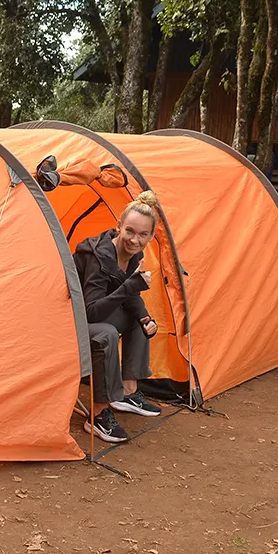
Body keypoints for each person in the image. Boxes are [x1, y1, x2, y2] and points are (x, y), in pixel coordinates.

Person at [73, 190, 163, 443]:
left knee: (138, 321)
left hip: (88, 319)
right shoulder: (98, 256)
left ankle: (127, 392)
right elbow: (90, 313)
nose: (135, 240)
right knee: (106, 334)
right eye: (130, 231)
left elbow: (127, 292)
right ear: (118, 228)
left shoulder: (134, 256)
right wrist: (132, 286)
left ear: (151, 236)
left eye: (143, 234)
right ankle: (99, 415)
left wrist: (145, 317)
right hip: (67, 322)